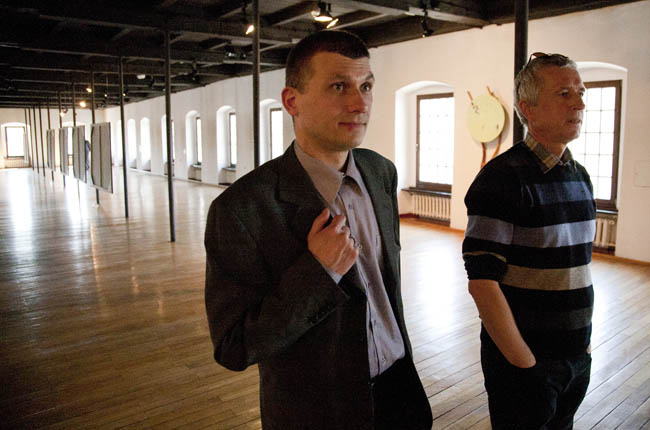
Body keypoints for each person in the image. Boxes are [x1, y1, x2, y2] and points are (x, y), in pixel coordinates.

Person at [204, 30, 432, 430]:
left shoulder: (380, 172)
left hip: (400, 390)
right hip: (320, 411)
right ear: (292, 101)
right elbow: (234, 345)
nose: (360, 103)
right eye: (339, 86)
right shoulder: (242, 209)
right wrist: (318, 272)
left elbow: (383, 289)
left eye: (366, 86)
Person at [462, 52, 596, 429]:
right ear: (528, 108)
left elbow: (577, 267)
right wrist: (524, 363)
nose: (579, 103)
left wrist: (583, 348)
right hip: (525, 366)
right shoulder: (501, 179)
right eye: (564, 93)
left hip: (575, 359)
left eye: (580, 92)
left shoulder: (580, 177)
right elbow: (482, 282)